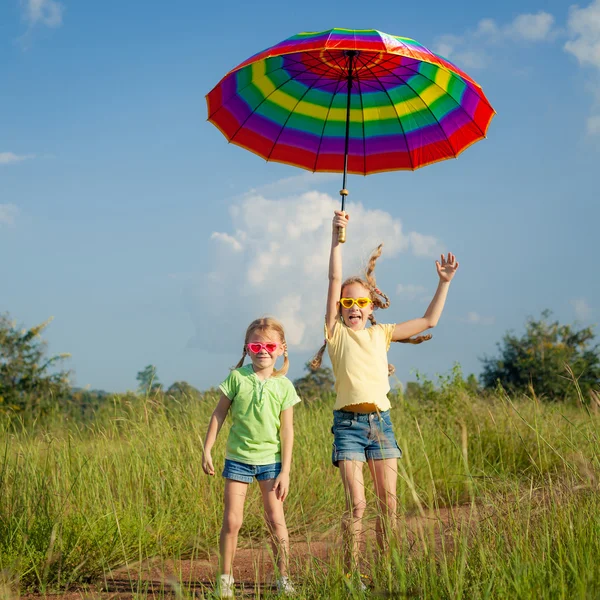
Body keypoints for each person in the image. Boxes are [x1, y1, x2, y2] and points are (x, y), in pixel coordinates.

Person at [311, 210, 459, 584]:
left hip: (381, 424)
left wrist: (443, 283)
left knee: (388, 505)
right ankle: (352, 576)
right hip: (347, 426)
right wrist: (336, 238)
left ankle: (390, 571)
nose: (354, 309)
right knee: (357, 506)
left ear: (372, 307)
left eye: (361, 303)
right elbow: (332, 278)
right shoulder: (335, 334)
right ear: (340, 310)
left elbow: (428, 323)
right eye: (348, 304)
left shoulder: (383, 334)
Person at [202, 317, 301, 598]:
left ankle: (283, 578)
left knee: (275, 520)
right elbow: (219, 413)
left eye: (270, 345)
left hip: (271, 463)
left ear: (281, 348)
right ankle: (225, 579)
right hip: (238, 460)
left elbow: (288, 431)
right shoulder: (237, 378)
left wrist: (286, 471)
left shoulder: (285, 386)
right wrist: (207, 448)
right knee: (232, 521)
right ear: (247, 348)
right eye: (256, 345)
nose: (263, 351)